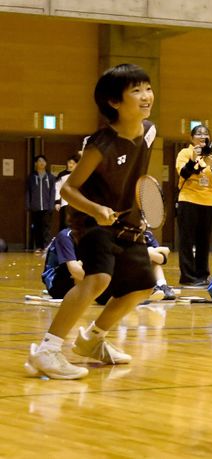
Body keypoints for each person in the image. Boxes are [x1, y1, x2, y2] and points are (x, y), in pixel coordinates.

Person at [25, 64, 157, 380]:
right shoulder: (101, 145)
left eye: (148, 88)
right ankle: (48, 350)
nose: (146, 96)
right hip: (91, 221)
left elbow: (135, 178)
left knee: (142, 286)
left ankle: (92, 340)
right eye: (136, 91)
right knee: (98, 279)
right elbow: (68, 189)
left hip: (126, 222)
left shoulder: (149, 132)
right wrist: (97, 209)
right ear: (114, 102)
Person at [175, 124, 212, 286]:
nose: (202, 136)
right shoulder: (185, 153)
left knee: (204, 241)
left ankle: (203, 275)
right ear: (192, 138)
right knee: (187, 240)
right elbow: (183, 173)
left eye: (206, 134)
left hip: (209, 202)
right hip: (188, 200)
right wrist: (193, 159)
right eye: (198, 134)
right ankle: (188, 277)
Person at [26, 155, 56, 253]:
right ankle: (39, 246)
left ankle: (46, 246)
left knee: (46, 228)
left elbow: (53, 192)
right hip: (35, 207)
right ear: (35, 164)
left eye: (43, 161)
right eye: (39, 161)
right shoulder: (31, 177)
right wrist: (28, 204)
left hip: (47, 207)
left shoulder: (50, 177)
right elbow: (28, 192)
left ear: (46, 163)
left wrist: (52, 205)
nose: (42, 163)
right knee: (37, 228)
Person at [54, 155, 79, 228]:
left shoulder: (79, 174)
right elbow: (57, 188)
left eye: (73, 163)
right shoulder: (61, 174)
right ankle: (63, 238)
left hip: (77, 203)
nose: (71, 165)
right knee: (64, 223)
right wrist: (57, 202)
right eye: (70, 163)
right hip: (64, 203)